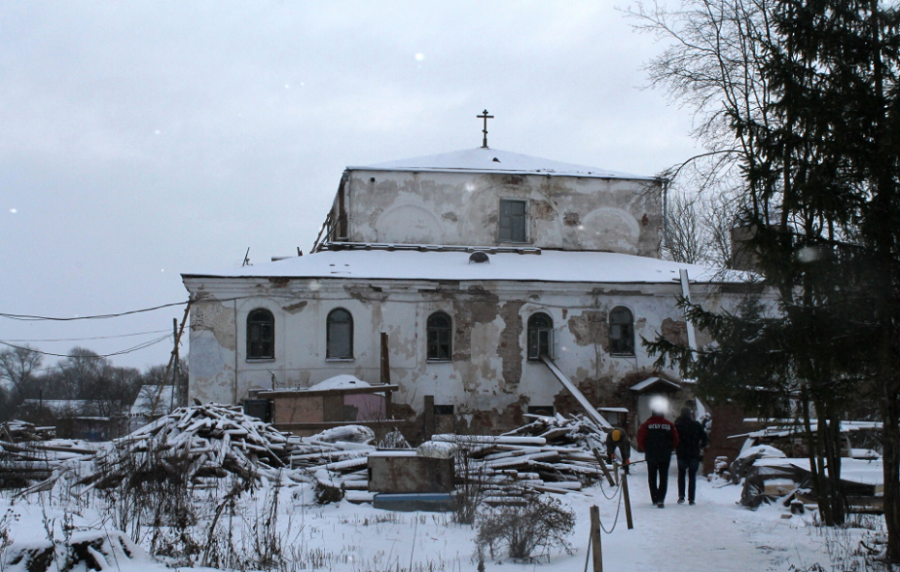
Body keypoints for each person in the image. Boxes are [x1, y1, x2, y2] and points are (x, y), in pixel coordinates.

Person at [637, 406, 679, 508]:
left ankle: (654, 498)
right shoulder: (669, 425)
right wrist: (669, 448)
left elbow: (640, 439)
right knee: (663, 477)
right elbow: (676, 439)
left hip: (651, 454)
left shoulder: (646, 425)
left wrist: (646, 448)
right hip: (665, 455)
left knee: (652, 477)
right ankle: (661, 499)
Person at [675, 406, 708, 505]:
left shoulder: (678, 425)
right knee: (692, 476)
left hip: (681, 453)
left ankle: (681, 496)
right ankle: (691, 499)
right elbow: (704, 437)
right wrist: (701, 445)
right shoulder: (696, 425)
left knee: (681, 475)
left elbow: (673, 438)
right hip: (694, 453)